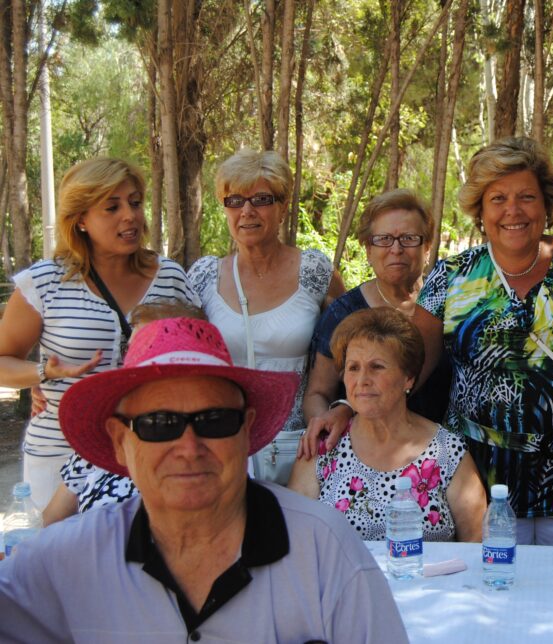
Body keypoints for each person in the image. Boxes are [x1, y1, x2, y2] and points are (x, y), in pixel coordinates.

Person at [0, 317, 406, 643]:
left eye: (215, 420)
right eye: (159, 423)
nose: (189, 447)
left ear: (246, 431)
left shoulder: (325, 550)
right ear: (121, 442)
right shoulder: (65, 562)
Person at [412, 137, 553, 545]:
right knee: (490, 581)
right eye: (497, 198)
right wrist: (346, 407)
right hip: (478, 485)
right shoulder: (451, 277)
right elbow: (409, 368)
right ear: (480, 211)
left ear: (547, 205)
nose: (512, 211)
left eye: (526, 197)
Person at [0, 157, 198, 507]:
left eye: (135, 203)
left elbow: (198, 359)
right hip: (59, 454)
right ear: (80, 220)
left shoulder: (170, 278)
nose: (130, 216)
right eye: (112, 207)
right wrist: (44, 373)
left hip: (150, 453)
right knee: (58, 542)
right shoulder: (45, 282)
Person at [188, 150, 345, 479]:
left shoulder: (314, 271)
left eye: (261, 199)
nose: (246, 211)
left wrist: (341, 409)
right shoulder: (204, 277)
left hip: (299, 449)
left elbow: (349, 349)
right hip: (224, 446)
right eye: (234, 201)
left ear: (283, 206)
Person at [289, 308, 486, 542]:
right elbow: (296, 539)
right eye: (353, 367)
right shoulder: (322, 447)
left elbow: (477, 545)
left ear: (408, 378)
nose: (362, 380)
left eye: (377, 366)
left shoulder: (448, 452)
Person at [300, 189, 453, 457]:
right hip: (361, 454)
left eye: (409, 238)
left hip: (440, 456)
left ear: (427, 247)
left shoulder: (451, 306)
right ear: (369, 250)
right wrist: (331, 436)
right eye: (383, 239)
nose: (396, 249)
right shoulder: (342, 313)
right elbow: (317, 394)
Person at [41, 301, 206, 526]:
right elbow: (51, 520)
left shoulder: (210, 439)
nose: (132, 360)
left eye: (147, 347)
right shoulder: (106, 436)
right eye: (130, 349)